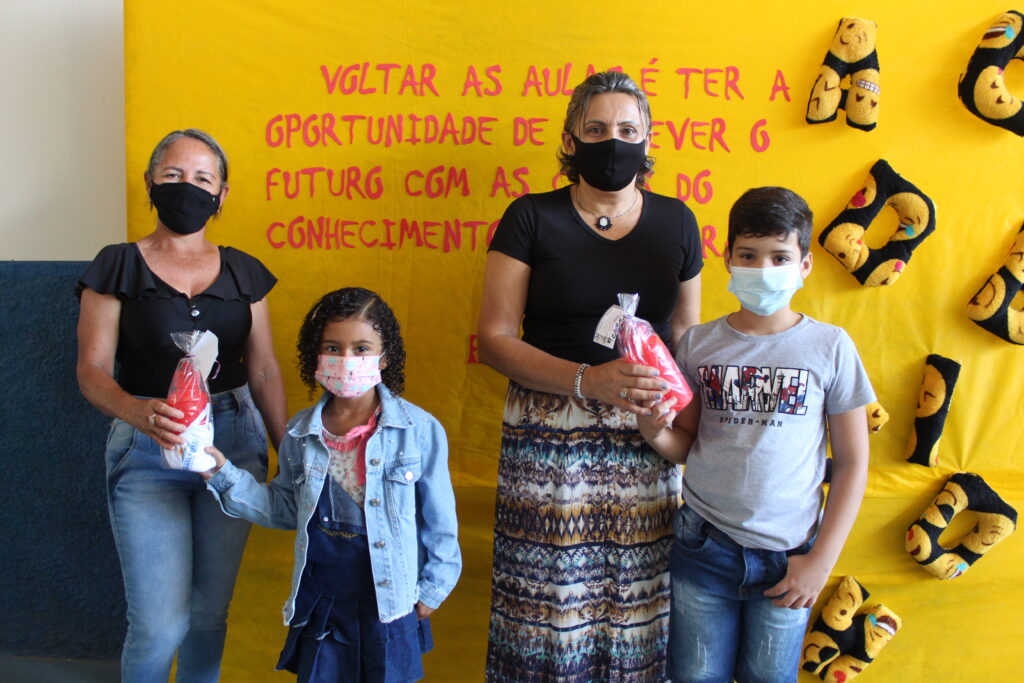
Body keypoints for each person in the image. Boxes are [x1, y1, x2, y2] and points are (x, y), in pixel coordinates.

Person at [477, 70, 703, 681]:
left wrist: (686, 429)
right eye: (596, 129)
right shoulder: (530, 217)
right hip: (549, 438)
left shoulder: (678, 222)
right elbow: (494, 340)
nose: (613, 142)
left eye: (628, 130)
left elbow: (687, 338)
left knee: (637, 609)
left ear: (648, 139)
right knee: (547, 612)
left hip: (649, 436)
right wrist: (588, 381)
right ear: (570, 140)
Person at [637, 187, 874, 683]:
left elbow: (853, 462)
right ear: (727, 257)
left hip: (791, 557)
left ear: (805, 265)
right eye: (748, 255)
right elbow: (687, 443)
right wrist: (654, 432)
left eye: (779, 257)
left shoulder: (830, 346)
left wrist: (820, 561)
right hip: (703, 545)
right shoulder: (698, 344)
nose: (763, 268)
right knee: (694, 676)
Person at [75, 128, 288, 682]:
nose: (187, 187)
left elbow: (264, 369)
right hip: (148, 446)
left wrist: (288, 449)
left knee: (209, 616)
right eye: (173, 175)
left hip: (233, 447)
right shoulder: (116, 265)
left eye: (202, 178)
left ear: (222, 193)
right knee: (157, 625)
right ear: (150, 182)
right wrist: (135, 411)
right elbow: (91, 370)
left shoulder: (245, 272)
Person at [201, 287, 461, 682]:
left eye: (362, 348)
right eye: (333, 348)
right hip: (322, 597)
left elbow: (440, 521)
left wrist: (433, 590)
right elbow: (285, 507)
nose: (347, 360)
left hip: (389, 600)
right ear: (316, 355)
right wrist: (223, 474)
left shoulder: (419, 431)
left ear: (385, 356)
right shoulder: (300, 433)